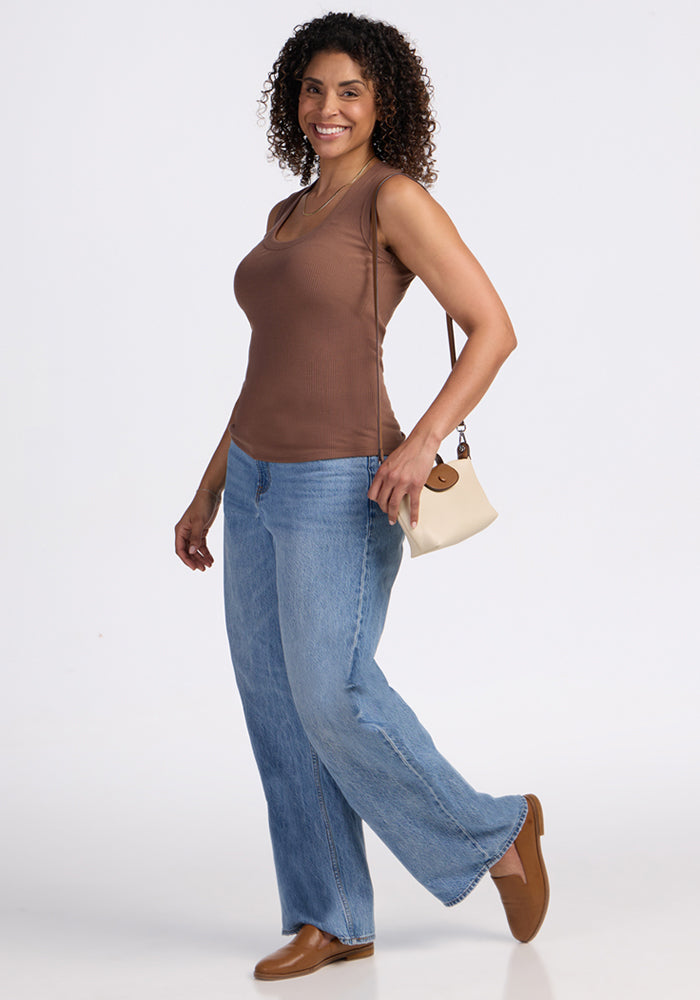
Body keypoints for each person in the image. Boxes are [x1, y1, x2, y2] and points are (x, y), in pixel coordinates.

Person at [174, 11, 549, 982]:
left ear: (384, 102)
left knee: (334, 694)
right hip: (256, 474)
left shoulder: (394, 199)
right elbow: (267, 365)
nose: (327, 107)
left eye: (349, 90)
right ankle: (331, 914)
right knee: (277, 706)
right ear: (290, 102)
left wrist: (419, 440)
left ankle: (496, 832)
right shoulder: (285, 216)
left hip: (341, 478)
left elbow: (491, 326)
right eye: (312, 89)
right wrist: (208, 489)